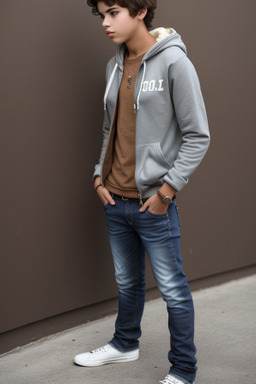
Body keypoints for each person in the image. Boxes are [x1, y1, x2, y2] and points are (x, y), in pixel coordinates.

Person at [74, 1, 210, 383]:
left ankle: (184, 370)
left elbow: (198, 135)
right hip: (115, 200)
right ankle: (124, 344)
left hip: (154, 204)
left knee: (173, 291)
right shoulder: (113, 66)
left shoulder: (174, 63)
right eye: (100, 14)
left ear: (140, 10)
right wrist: (100, 177)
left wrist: (166, 192)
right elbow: (109, 128)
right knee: (127, 282)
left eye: (113, 12)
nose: (105, 22)